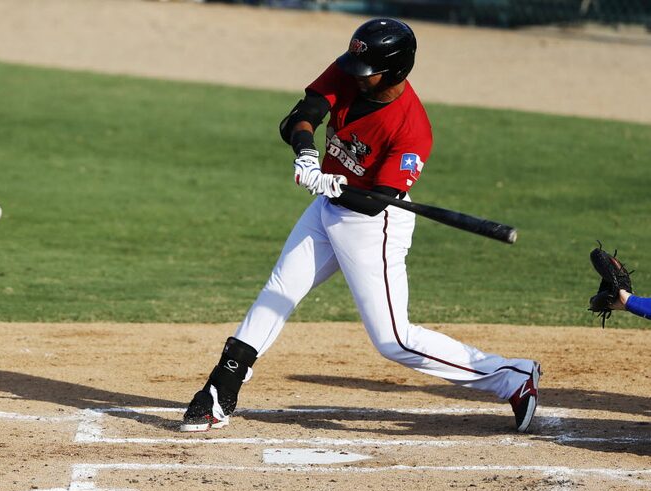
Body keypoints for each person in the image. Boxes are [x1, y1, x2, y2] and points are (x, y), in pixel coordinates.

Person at [179, 18, 541, 434]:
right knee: (279, 291)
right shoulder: (355, 71)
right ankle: (219, 391)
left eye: (366, 72)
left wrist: (336, 185)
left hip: (374, 225)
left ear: (396, 71)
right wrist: (307, 155)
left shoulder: (411, 130)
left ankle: (513, 377)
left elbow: (374, 202)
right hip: (328, 207)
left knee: (394, 340)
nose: (354, 77)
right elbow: (302, 115)